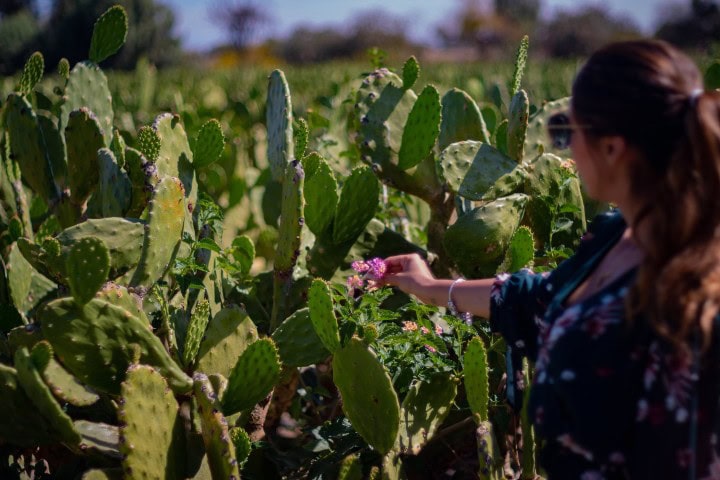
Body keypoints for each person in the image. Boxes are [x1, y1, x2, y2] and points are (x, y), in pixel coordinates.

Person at [382, 39, 720, 479]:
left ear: (612, 148)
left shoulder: (692, 284)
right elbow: (540, 298)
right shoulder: (616, 236)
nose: (564, 147)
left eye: (567, 130)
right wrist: (430, 289)